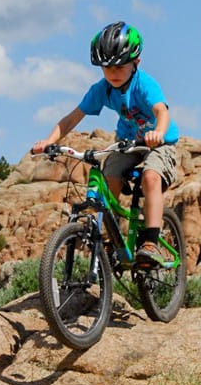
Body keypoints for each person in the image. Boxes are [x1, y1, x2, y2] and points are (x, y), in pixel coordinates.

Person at [32, 21, 179, 265]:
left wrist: (158, 133)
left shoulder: (145, 85)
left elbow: (161, 112)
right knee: (109, 177)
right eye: (106, 67)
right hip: (127, 143)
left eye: (119, 66)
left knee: (151, 177)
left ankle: (151, 242)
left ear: (136, 63)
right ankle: (111, 240)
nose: (112, 72)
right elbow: (71, 118)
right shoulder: (101, 90)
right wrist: (49, 141)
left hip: (158, 142)